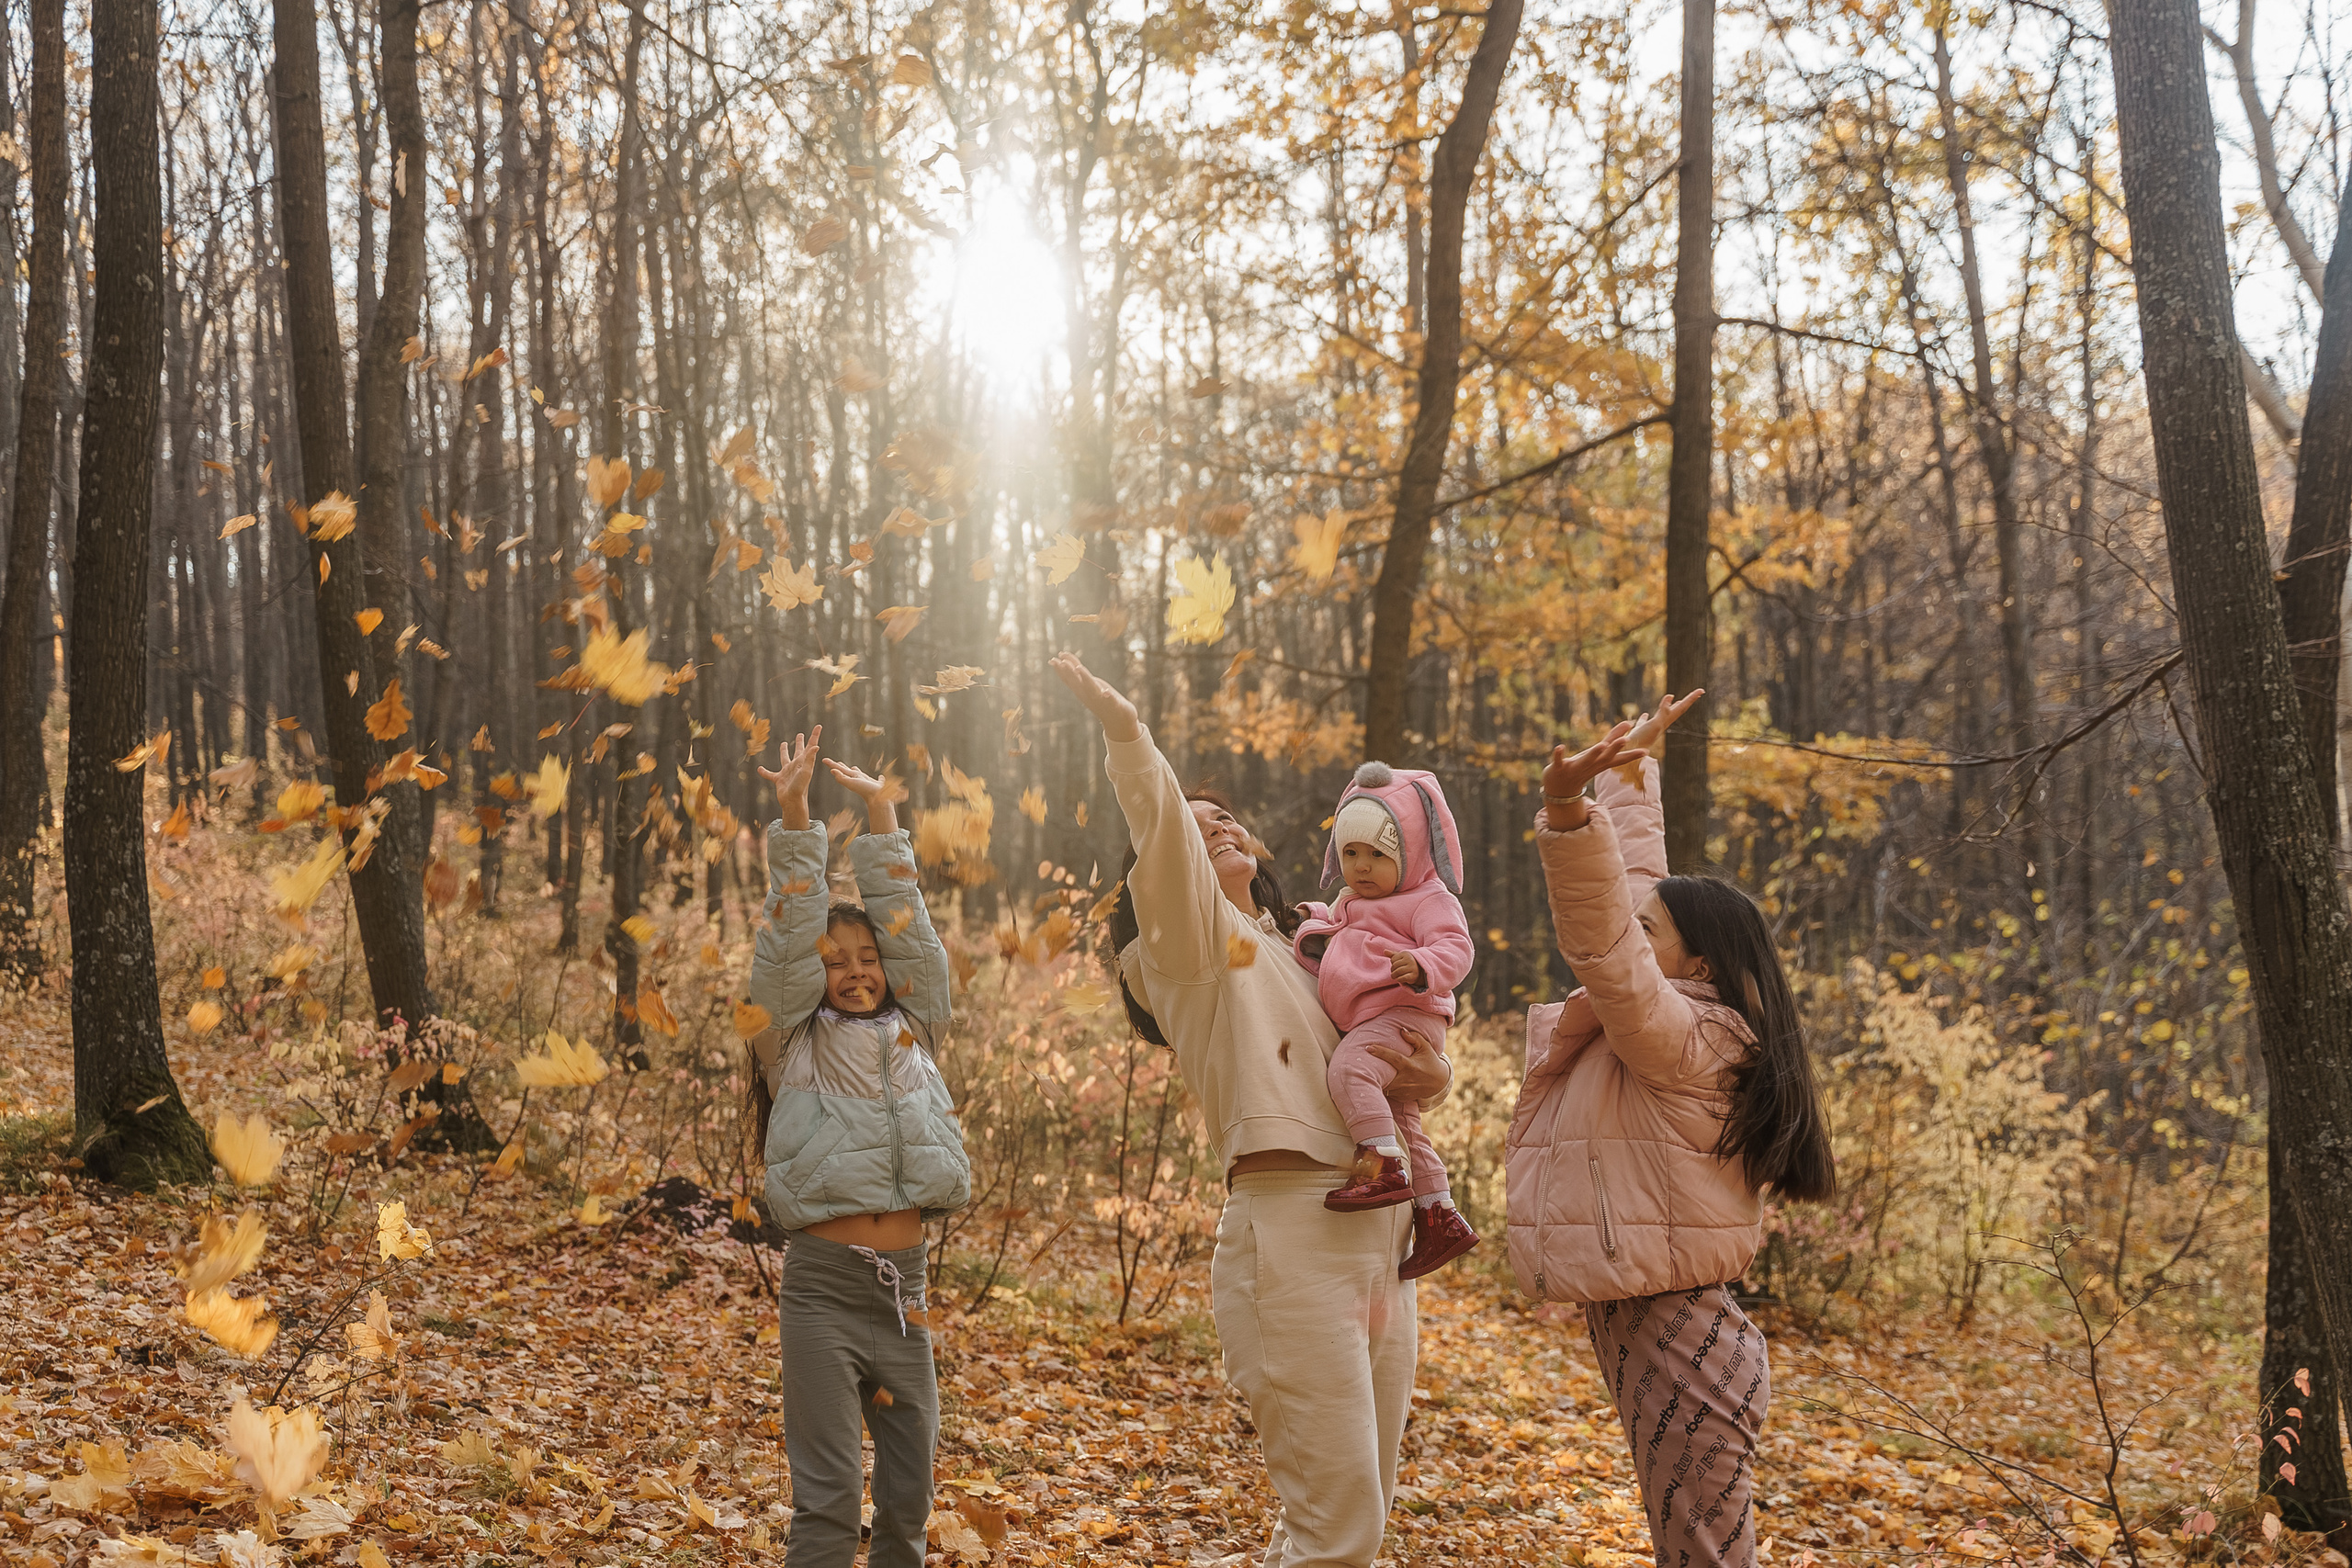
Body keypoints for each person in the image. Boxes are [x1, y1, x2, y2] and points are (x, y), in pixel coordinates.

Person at [1051, 650, 1453, 1568]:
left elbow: (1396, 1055)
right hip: (1291, 1231)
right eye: (1194, 825)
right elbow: (1161, 851)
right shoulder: (1190, 953)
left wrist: (1424, 1075)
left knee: (1355, 1517)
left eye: (1226, 814)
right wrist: (1127, 736)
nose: (1217, 824)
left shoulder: (1316, 947)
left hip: (1383, 1237)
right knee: (1337, 1528)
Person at [1505, 692, 1837, 1568]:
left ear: (1694, 959)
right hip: (1675, 1331)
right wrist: (1626, 776)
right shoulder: (1698, 1015)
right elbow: (1643, 900)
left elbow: (1609, 939)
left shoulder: (1686, 1038)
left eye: (1652, 931)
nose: (1634, 926)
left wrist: (1570, 817)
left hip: (1679, 1341)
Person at [743, 728, 972, 1568]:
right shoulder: (791, 1040)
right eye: (834, 960)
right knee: (831, 1503)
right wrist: (798, 815)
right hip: (822, 1294)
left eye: (866, 957)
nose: (856, 970)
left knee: (908, 1503)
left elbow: (915, 941)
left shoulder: (917, 1028)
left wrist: (881, 817)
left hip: (905, 1295)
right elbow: (784, 946)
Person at [1292, 761, 1480, 1279]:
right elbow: (1333, 922)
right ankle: (1439, 1215)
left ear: (1412, 852)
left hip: (1406, 1012)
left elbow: (1457, 948)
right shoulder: (1352, 899)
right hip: (1378, 1016)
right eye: (1351, 853)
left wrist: (1422, 965)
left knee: (1350, 1072)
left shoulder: (1428, 898)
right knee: (1403, 1122)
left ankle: (1380, 1166)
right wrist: (1306, 915)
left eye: (1378, 854)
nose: (1362, 866)